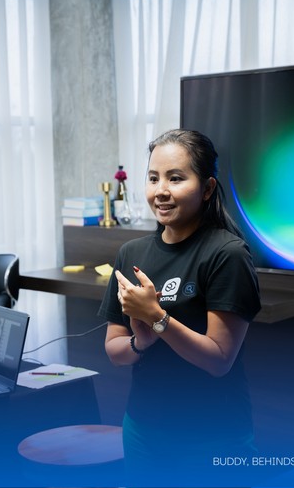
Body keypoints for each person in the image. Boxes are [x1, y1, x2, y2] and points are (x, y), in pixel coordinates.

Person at [99, 129, 261, 482]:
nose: (161, 190)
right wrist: (140, 341)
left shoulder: (227, 254)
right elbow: (114, 350)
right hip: (142, 429)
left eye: (175, 178)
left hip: (212, 436)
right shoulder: (131, 253)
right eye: (153, 178)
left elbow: (219, 360)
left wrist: (157, 318)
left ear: (207, 188)